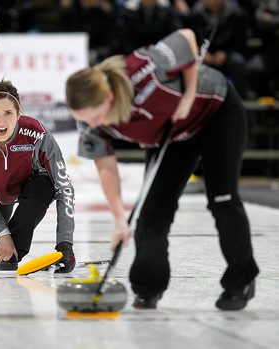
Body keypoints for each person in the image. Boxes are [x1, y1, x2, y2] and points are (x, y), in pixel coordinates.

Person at [65, 28, 259, 310]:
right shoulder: (92, 122)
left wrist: (189, 95)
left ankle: (241, 280)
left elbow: (187, 37)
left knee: (222, 200)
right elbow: (105, 165)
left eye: (94, 117)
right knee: (152, 212)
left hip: (217, 114)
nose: (91, 125)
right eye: (84, 120)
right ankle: (148, 286)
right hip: (173, 135)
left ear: (108, 96)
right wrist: (119, 219)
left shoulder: (146, 69)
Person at [0, 80, 76, 272]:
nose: (1, 121)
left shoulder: (37, 134)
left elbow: (64, 188)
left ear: (19, 113)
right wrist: (2, 234)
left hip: (30, 188)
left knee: (45, 186)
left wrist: (65, 245)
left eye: (8, 113)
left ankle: (13, 251)